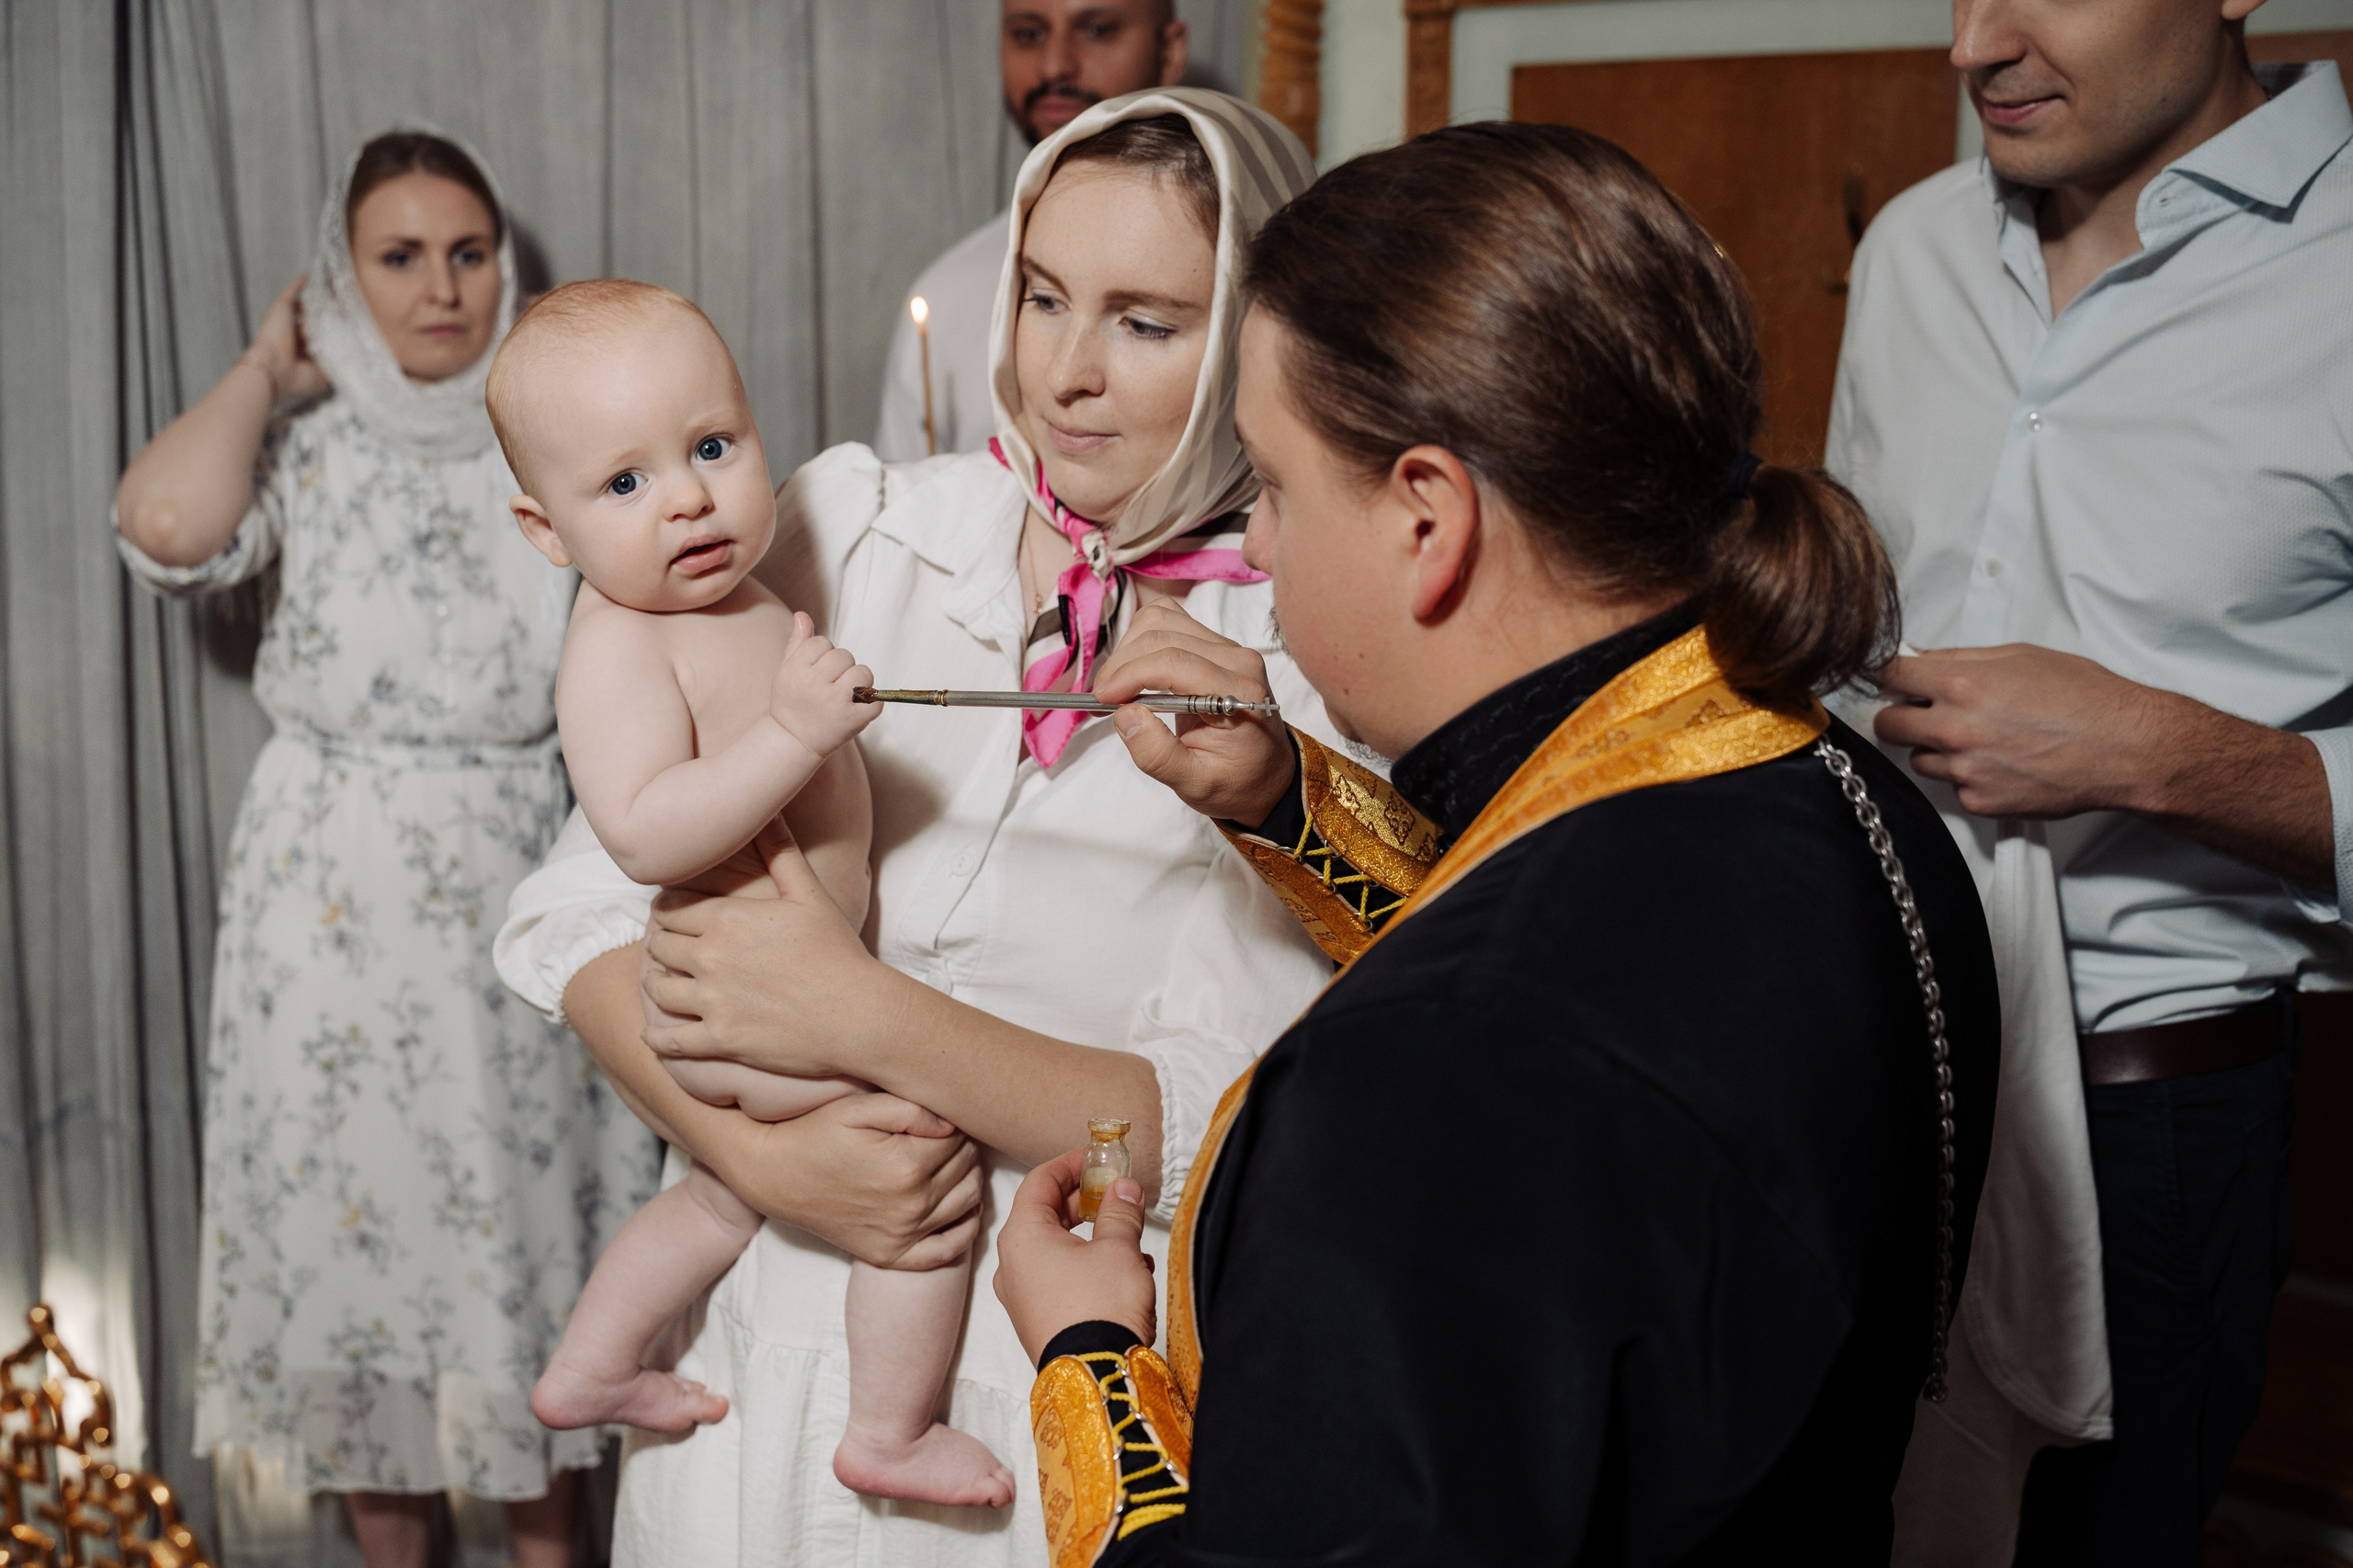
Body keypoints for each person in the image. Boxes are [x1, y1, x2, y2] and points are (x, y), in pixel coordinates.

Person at [986, 120, 2005, 1564]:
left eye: (1272, 485)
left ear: (1429, 518)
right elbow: (1574, 951)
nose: (1256, 546)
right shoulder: (1828, 783)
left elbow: (1508, 1039)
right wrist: (1287, 805)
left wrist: (1088, 1357)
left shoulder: (1422, 1073)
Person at [493, 90, 1322, 1566]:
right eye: (1042, 295)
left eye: (1145, 321)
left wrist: (862, 1015)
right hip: (741, 1371)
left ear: (1263, 338)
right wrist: (756, 1159)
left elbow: (1213, 1132)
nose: (1064, 371)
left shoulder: (1298, 666)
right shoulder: (849, 525)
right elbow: (583, 912)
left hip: (1029, 1392)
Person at [1826, 0, 2353, 1557]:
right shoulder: (1914, 247)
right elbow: (1844, 649)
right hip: (1855, 1068)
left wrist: (2151, 752)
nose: (1974, 44)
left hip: (2152, 1132)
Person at [110, 131, 656, 1568]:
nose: (441, 288)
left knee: (521, 1252)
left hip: (517, 870)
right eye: (398, 258)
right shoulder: (308, 447)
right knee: (363, 1264)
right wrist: (265, 367)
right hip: (328, 903)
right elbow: (162, 523)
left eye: (468, 253)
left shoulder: (551, 447)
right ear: (338, 279)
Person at [487, 279, 1023, 1506]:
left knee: (722, 1196)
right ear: (545, 528)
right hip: (752, 996)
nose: (685, 497)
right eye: (624, 482)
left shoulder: (733, 594)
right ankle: (889, 1428)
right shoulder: (617, 642)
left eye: (713, 447)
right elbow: (640, 829)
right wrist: (793, 735)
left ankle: (593, 1363)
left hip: (764, 988)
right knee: (919, 1165)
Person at [873, 0, 1188, 460]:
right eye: (1029, 34)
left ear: (1169, 52)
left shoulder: (1249, 275)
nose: (1054, 65)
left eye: (1098, 30)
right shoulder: (946, 298)